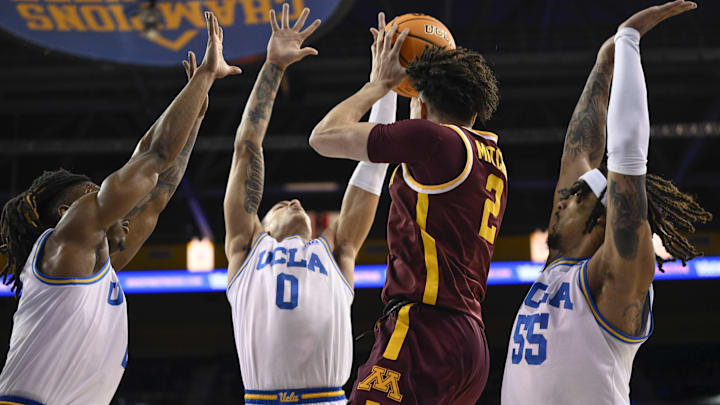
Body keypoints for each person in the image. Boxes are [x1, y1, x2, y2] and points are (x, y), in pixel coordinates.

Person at [0, 12, 240, 404]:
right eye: (95, 193)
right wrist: (204, 77)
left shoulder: (97, 263)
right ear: (66, 213)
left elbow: (158, 191)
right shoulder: (67, 243)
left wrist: (194, 116)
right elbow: (152, 155)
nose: (117, 206)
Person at [501, 2, 710, 404]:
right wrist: (603, 65)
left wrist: (628, 39)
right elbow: (577, 154)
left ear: (603, 221)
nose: (559, 204)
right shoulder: (557, 267)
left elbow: (628, 159)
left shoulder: (617, 277)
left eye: (575, 198)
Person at [310, 12, 504, 404]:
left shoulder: (434, 141)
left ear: (423, 103)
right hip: (470, 341)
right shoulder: (490, 154)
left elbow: (323, 137)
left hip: (424, 331)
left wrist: (378, 84)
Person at [223, 4, 387, 404]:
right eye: (279, 204)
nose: (295, 201)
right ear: (258, 224)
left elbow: (372, 170)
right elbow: (246, 148)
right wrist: (273, 68)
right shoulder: (247, 249)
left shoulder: (336, 250)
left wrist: (386, 88)